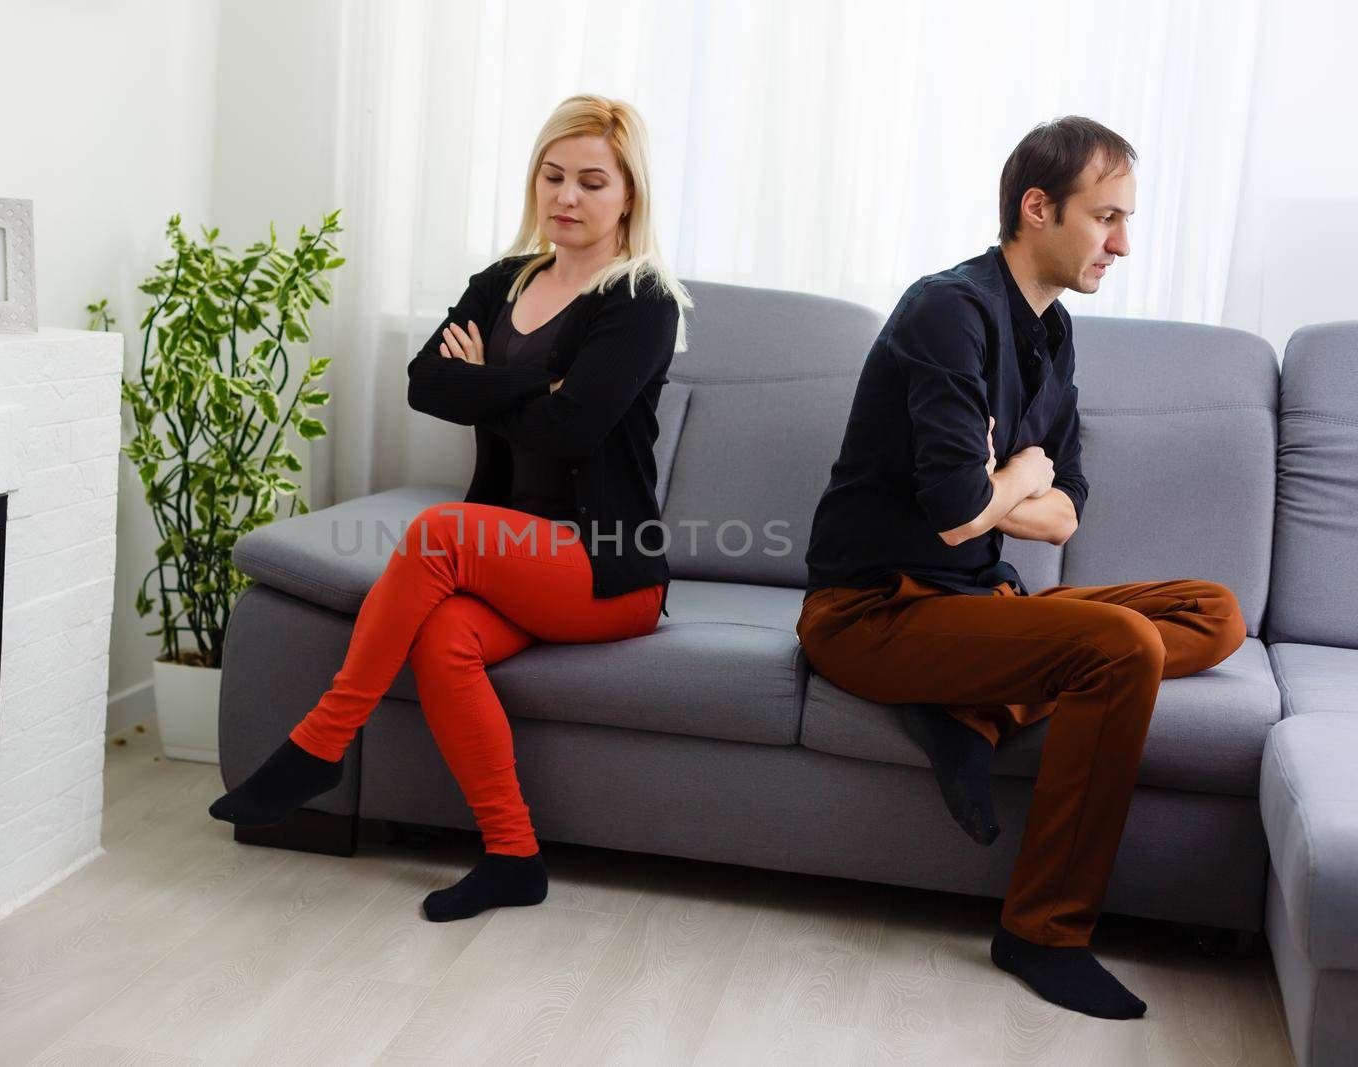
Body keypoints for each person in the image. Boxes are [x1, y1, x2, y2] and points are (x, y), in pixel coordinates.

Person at [795, 116, 1246, 1020]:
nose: (1122, 243)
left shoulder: (1054, 332)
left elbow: (1064, 507)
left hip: (970, 601)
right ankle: (1042, 931)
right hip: (870, 612)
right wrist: (1012, 480)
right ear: (1037, 209)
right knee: (1119, 646)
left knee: (1215, 611)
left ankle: (972, 712)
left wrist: (1010, 480)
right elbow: (959, 512)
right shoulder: (947, 311)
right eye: (1105, 216)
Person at [210, 94, 693, 924]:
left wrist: (486, 385)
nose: (566, 197)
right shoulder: (505, 280)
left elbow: (575, 427)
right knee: (444, 638)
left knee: (438, 532)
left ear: (629, 196)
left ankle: (321, 742)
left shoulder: (641, 300)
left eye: (590, 181)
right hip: (513, 560)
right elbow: (424, 382)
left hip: (605, 567)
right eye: (552, 176)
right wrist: (529, 381)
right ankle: (513, 856)